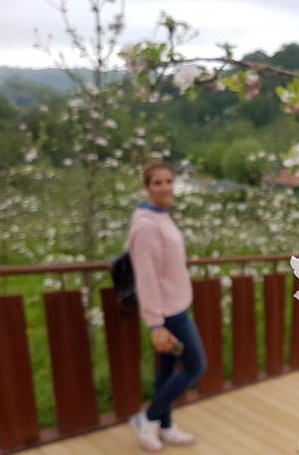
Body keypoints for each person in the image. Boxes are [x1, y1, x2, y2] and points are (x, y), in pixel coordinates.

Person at [127, 160, 207, 452]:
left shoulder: (160, 216)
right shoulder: (146, 225)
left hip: (176, 307)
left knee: (167, 371)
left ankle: (166, 426)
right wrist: (156, 324)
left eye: (169, 181)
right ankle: (147, 419)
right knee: (196, 366)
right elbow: (145, 278)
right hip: (169, 316)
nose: (165, 187)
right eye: (158, 182)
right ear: (147, 187)